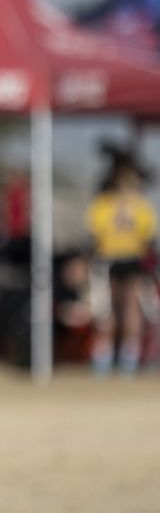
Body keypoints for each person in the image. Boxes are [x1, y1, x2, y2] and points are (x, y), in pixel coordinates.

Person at [84, 148, 156, 378]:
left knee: (123, 309)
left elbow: (94, 236)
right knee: (112, 310)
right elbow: (149, 238)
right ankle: (114, 359)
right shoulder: (137, 205)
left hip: (120, 258)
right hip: (115, 259)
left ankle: (122, 359)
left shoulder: (106, 204)